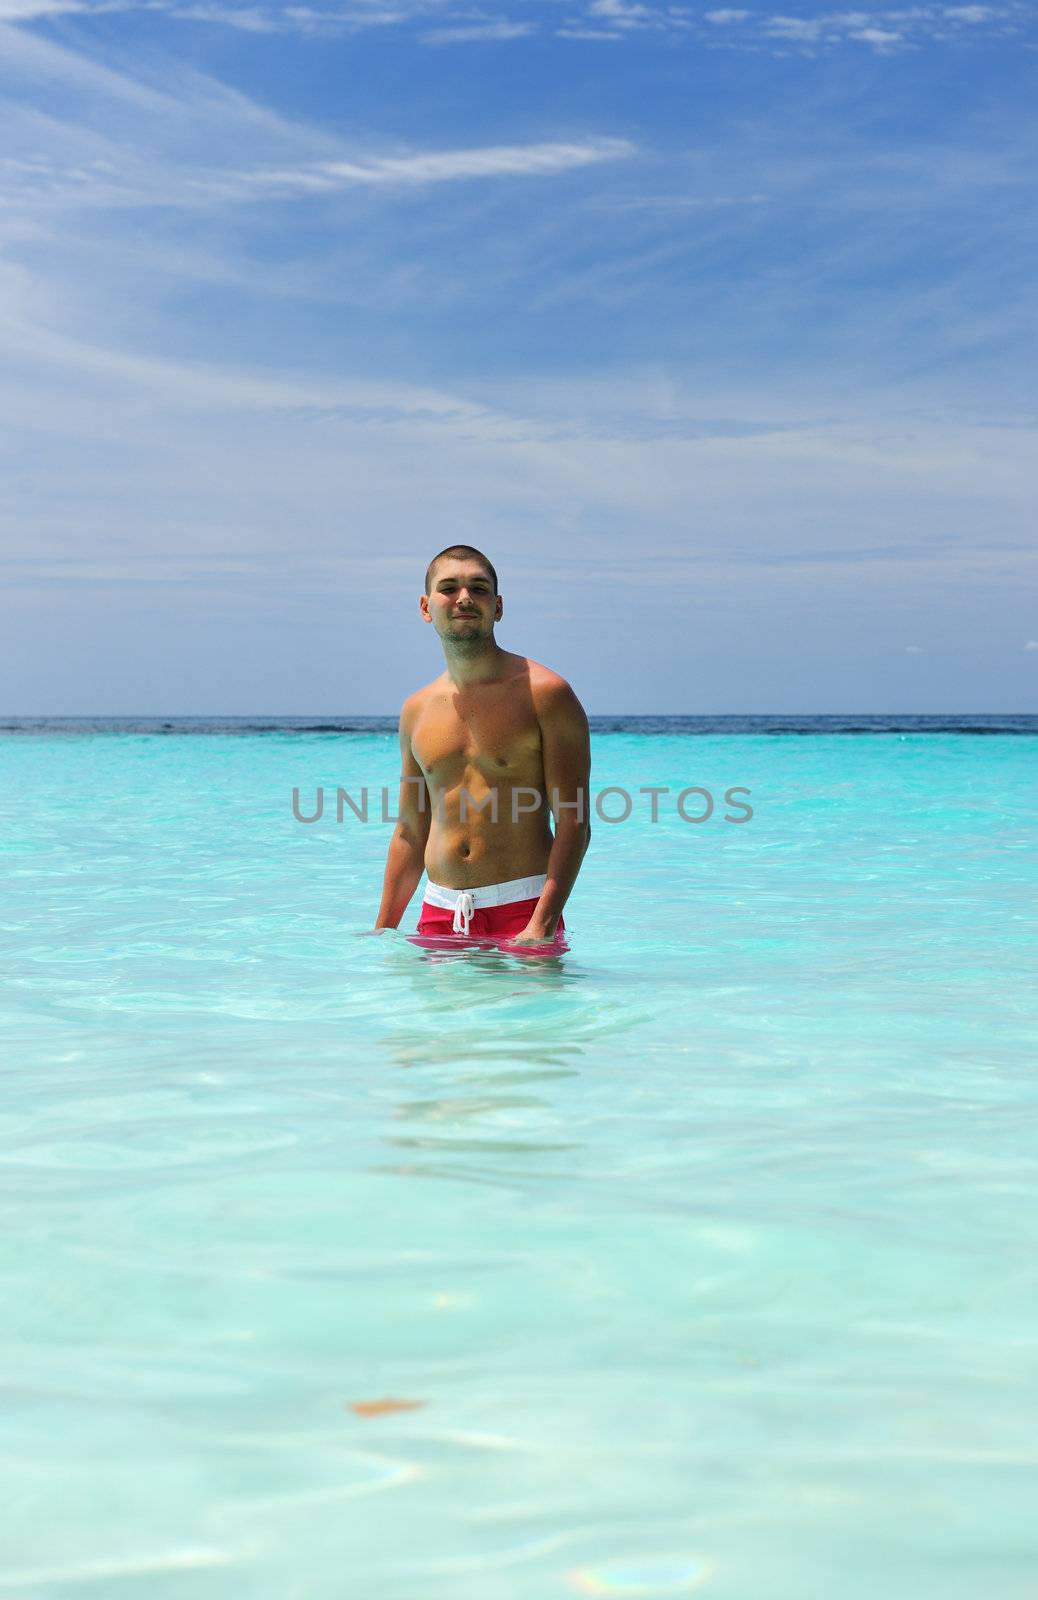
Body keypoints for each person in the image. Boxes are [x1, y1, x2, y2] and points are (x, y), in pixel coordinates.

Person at [374, 545, 591, 948]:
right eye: (449, 588)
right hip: (438, 915)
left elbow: (574, 822)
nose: (464, 598)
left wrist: (541, 925)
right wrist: (383, 929)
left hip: (523, 909)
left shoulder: (545, 694)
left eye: (478, 588)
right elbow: (410, 830)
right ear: (425, 607)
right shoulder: (416, 710)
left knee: (535, 1014)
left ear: (498, 606)